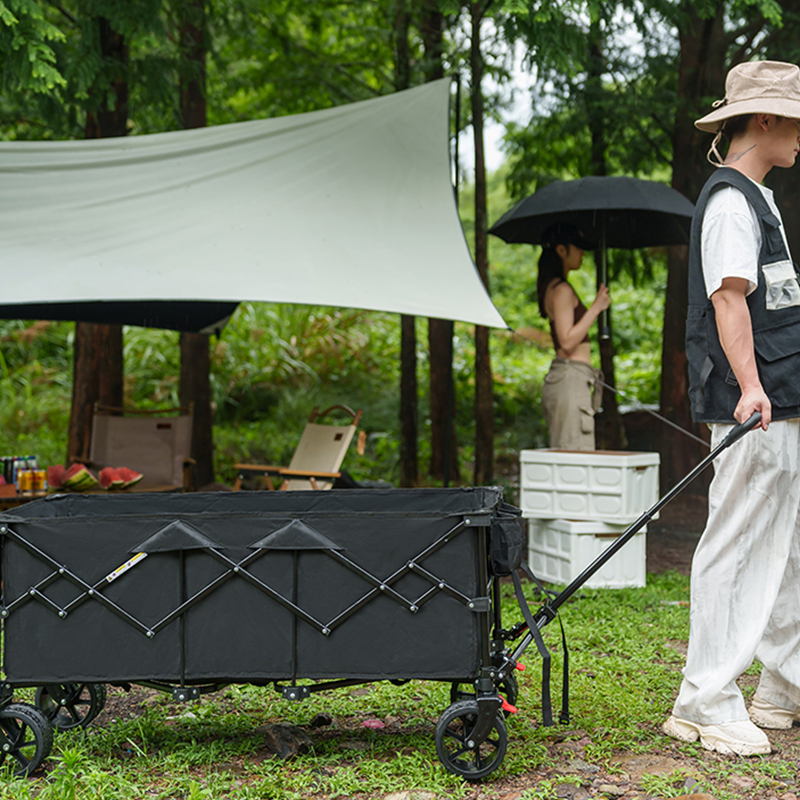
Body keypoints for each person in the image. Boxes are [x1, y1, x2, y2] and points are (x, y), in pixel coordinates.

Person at [664, 60, 800, 756]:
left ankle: (785, 685)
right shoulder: (729, 202)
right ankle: (705, 701)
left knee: (787, 544)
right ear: (765, 119)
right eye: (795, 119)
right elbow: (727, 297)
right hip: (755, 402)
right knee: (739, 543)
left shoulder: (760, 197)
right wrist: (750, 386)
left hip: (781, 397)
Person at [537, 222, 610, 449]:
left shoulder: (554, 287)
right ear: (561, 250)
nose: (582, 253)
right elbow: (567, 341)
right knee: (574, 454)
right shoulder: (561, 290)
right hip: (571, 378)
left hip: (571, 377)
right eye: (577, 247)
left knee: (571, 454)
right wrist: (596, 308)